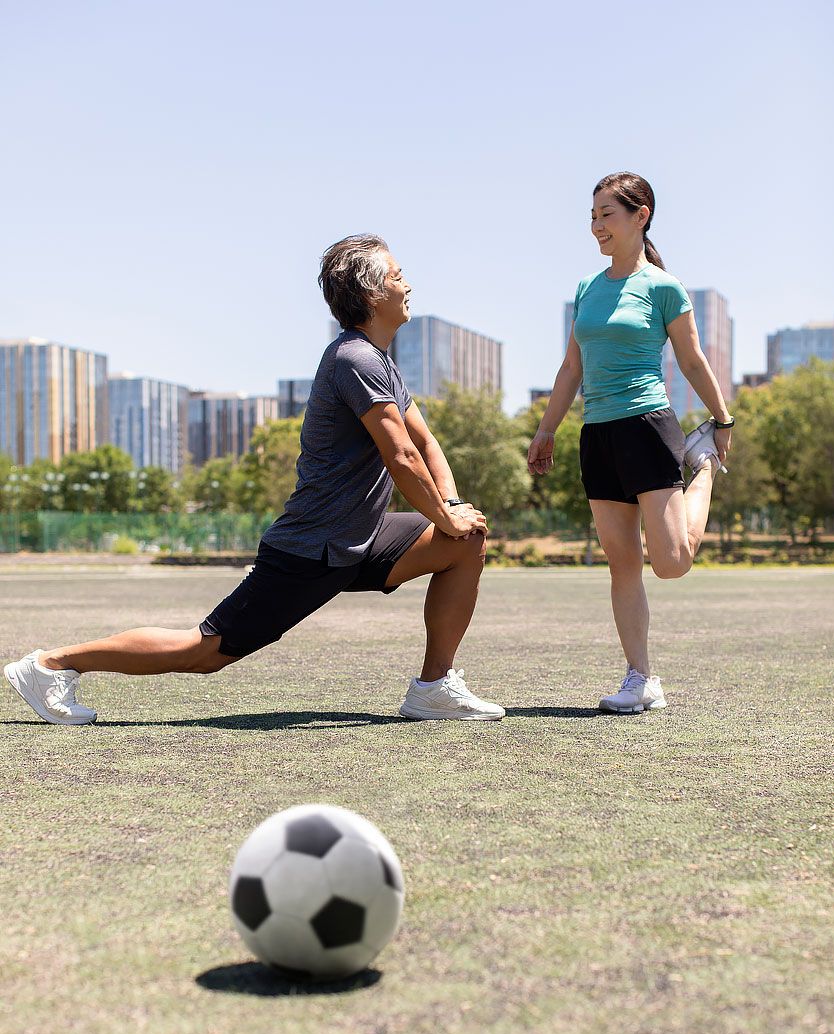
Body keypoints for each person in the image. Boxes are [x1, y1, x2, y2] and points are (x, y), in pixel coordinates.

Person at [5, 235, 504, 725]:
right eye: (397, 276)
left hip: (359, 538)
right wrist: (442, 514)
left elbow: (425, 443)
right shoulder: (355, 358)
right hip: (314, 547)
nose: (408, 284)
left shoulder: (381, 363)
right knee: (205, 651)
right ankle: (51, 665)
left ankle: (434, 688)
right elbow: (399, 455)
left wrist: (454, 508)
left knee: (465, 541)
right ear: (373, 294)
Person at [527, 172, 734, 714]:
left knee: (671, 562)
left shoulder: (664, 287)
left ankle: (704, 462)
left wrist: (722, 419)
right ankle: (640, 677)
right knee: (623, 566)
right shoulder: (586, 290)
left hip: (648, 427)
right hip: (598, 435)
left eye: (607, 214)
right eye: (592, 216)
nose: (597, 226)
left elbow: (691, 359)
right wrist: (547, 429)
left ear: (641, 216)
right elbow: (572, 366)